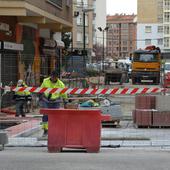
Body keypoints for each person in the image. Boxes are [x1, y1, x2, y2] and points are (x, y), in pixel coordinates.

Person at [40, 70, 68, 136]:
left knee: (55, 116)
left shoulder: (60, 84)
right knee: (45, 115)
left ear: (57, 77)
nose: (53, 78)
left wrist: (65, 102)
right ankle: (45, 130)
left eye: (55, 77)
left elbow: (64, 94)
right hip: (46, 100)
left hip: (55, 101)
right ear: (51, 76)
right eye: (52, 77)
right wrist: (40, 98)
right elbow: (40, 90)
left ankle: (54, 130)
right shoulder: (45, 81)